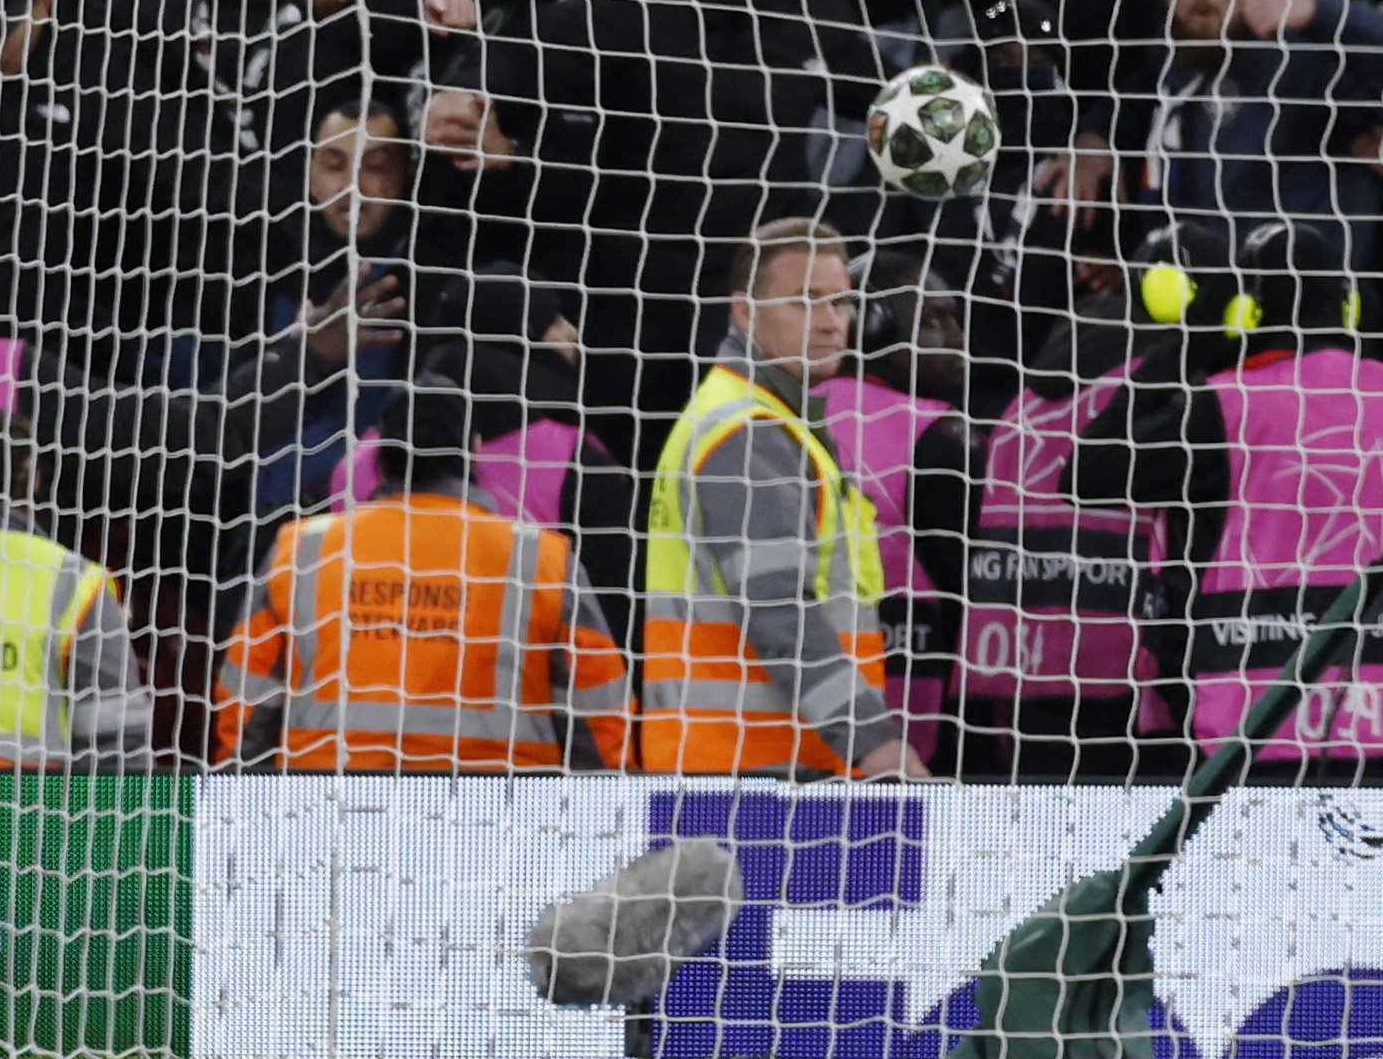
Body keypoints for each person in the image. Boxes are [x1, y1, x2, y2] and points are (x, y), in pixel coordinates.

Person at [632, 215, 920, 779]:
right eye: (807, 302)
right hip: (755, 775)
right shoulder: (747, 431)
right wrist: (870, 739)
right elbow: (778, 608)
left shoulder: (751, 417)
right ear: (745, 312)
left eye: (841, 303)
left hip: (745, 765)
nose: (833, 323)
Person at [213, 416, 630, 769]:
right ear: (475, 447)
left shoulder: (302, 547)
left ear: (379, 456)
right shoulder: (541, 556)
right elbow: (597, 709)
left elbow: (247, 699)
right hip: (501, 818)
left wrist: (240, 795)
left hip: (329, 811)